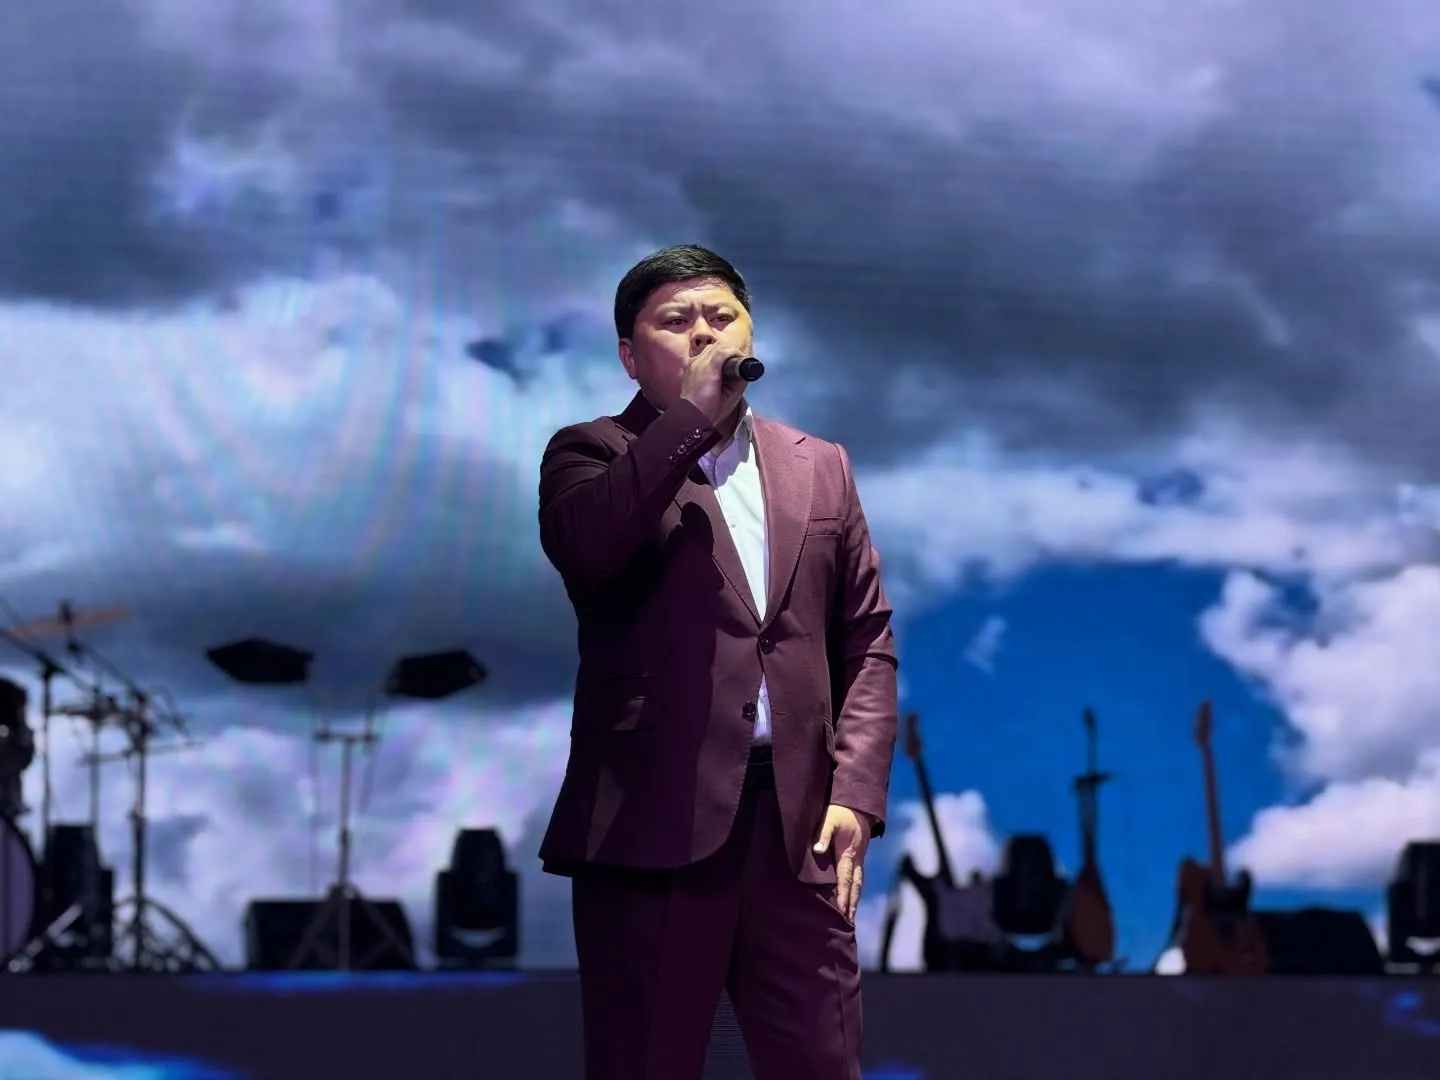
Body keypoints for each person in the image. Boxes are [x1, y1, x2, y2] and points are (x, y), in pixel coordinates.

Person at [536, 244, 899, 1079]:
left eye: (721, 316)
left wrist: (855, 792)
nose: (705, 333)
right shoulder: (589, 453)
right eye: (676, 321)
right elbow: (591, 549)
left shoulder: (820, 464)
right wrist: (688, 423)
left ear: (751, 332)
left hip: (798, 832)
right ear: (630, 356)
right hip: (651, 823)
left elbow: (866, 637)